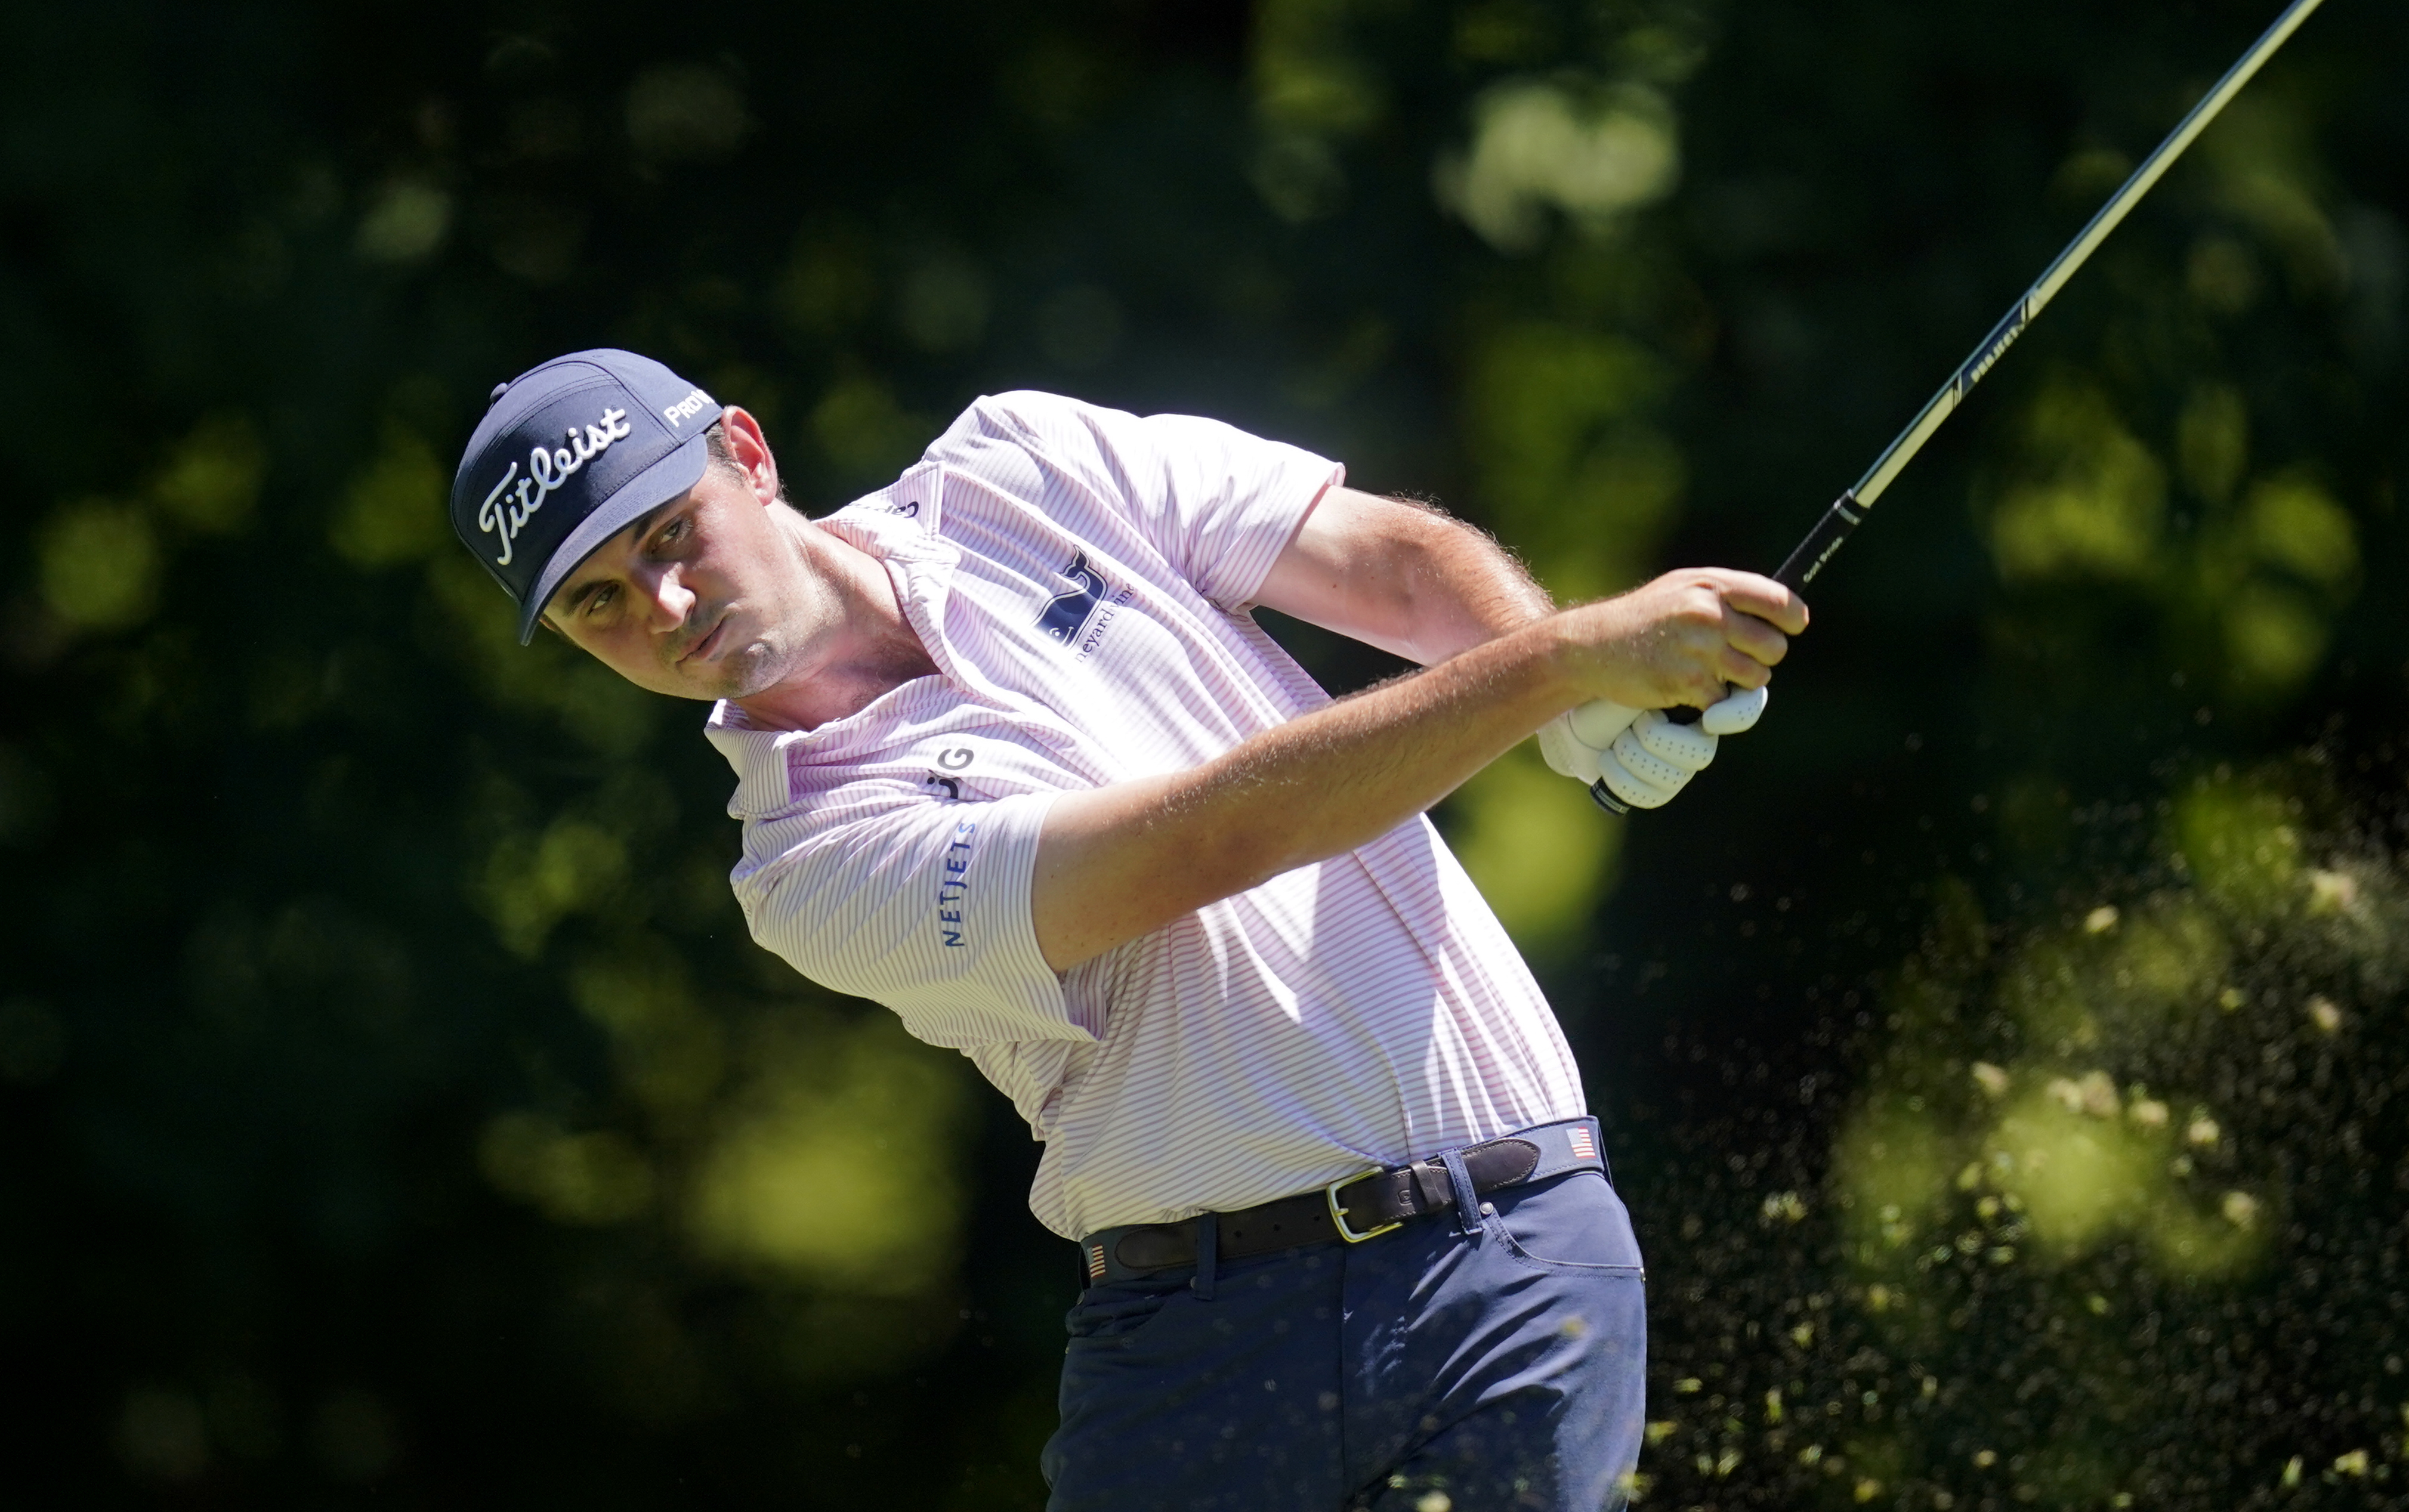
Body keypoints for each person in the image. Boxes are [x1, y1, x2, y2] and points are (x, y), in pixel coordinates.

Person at [449, 347, 1804, 1511]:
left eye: (670, 534)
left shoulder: (1024, 460)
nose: (666, 609)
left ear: (746, 454)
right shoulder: (808, 867)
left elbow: (1391, 567)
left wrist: (1552, 677)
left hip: (1513, 1258)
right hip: (1204, 1342)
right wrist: (1559, 665)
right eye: (600, 603)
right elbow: (1202, 843)